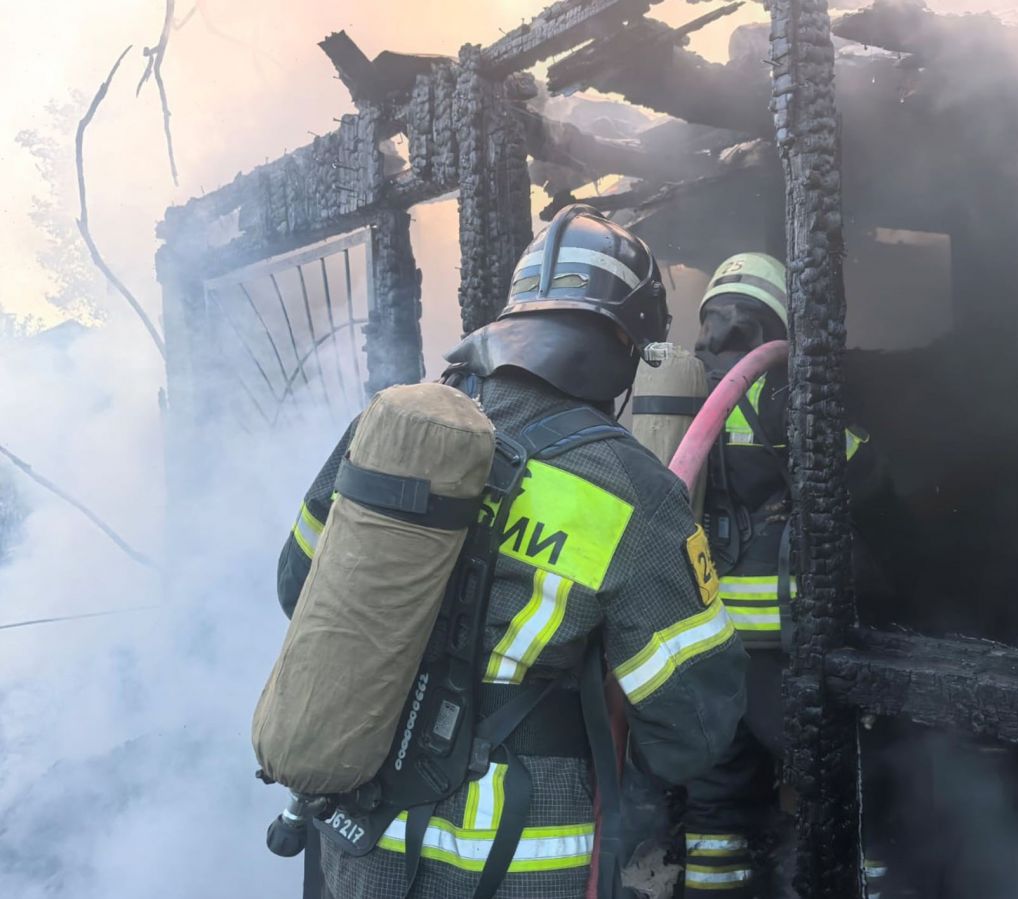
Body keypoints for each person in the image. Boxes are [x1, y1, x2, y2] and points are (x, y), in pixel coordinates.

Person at [276, 205, 749, 899]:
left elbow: (297, 585)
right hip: (513, 861)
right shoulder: (630, 491)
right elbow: (694, 727)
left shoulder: (391, 426)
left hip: (358, 842)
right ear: (623, 344)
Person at [679, 252, 907, 898]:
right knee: (847, 783)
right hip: (787, 646)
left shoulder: (681, 391)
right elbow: (867, 477)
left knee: (717, 805)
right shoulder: (780, 391)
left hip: (705, 643)